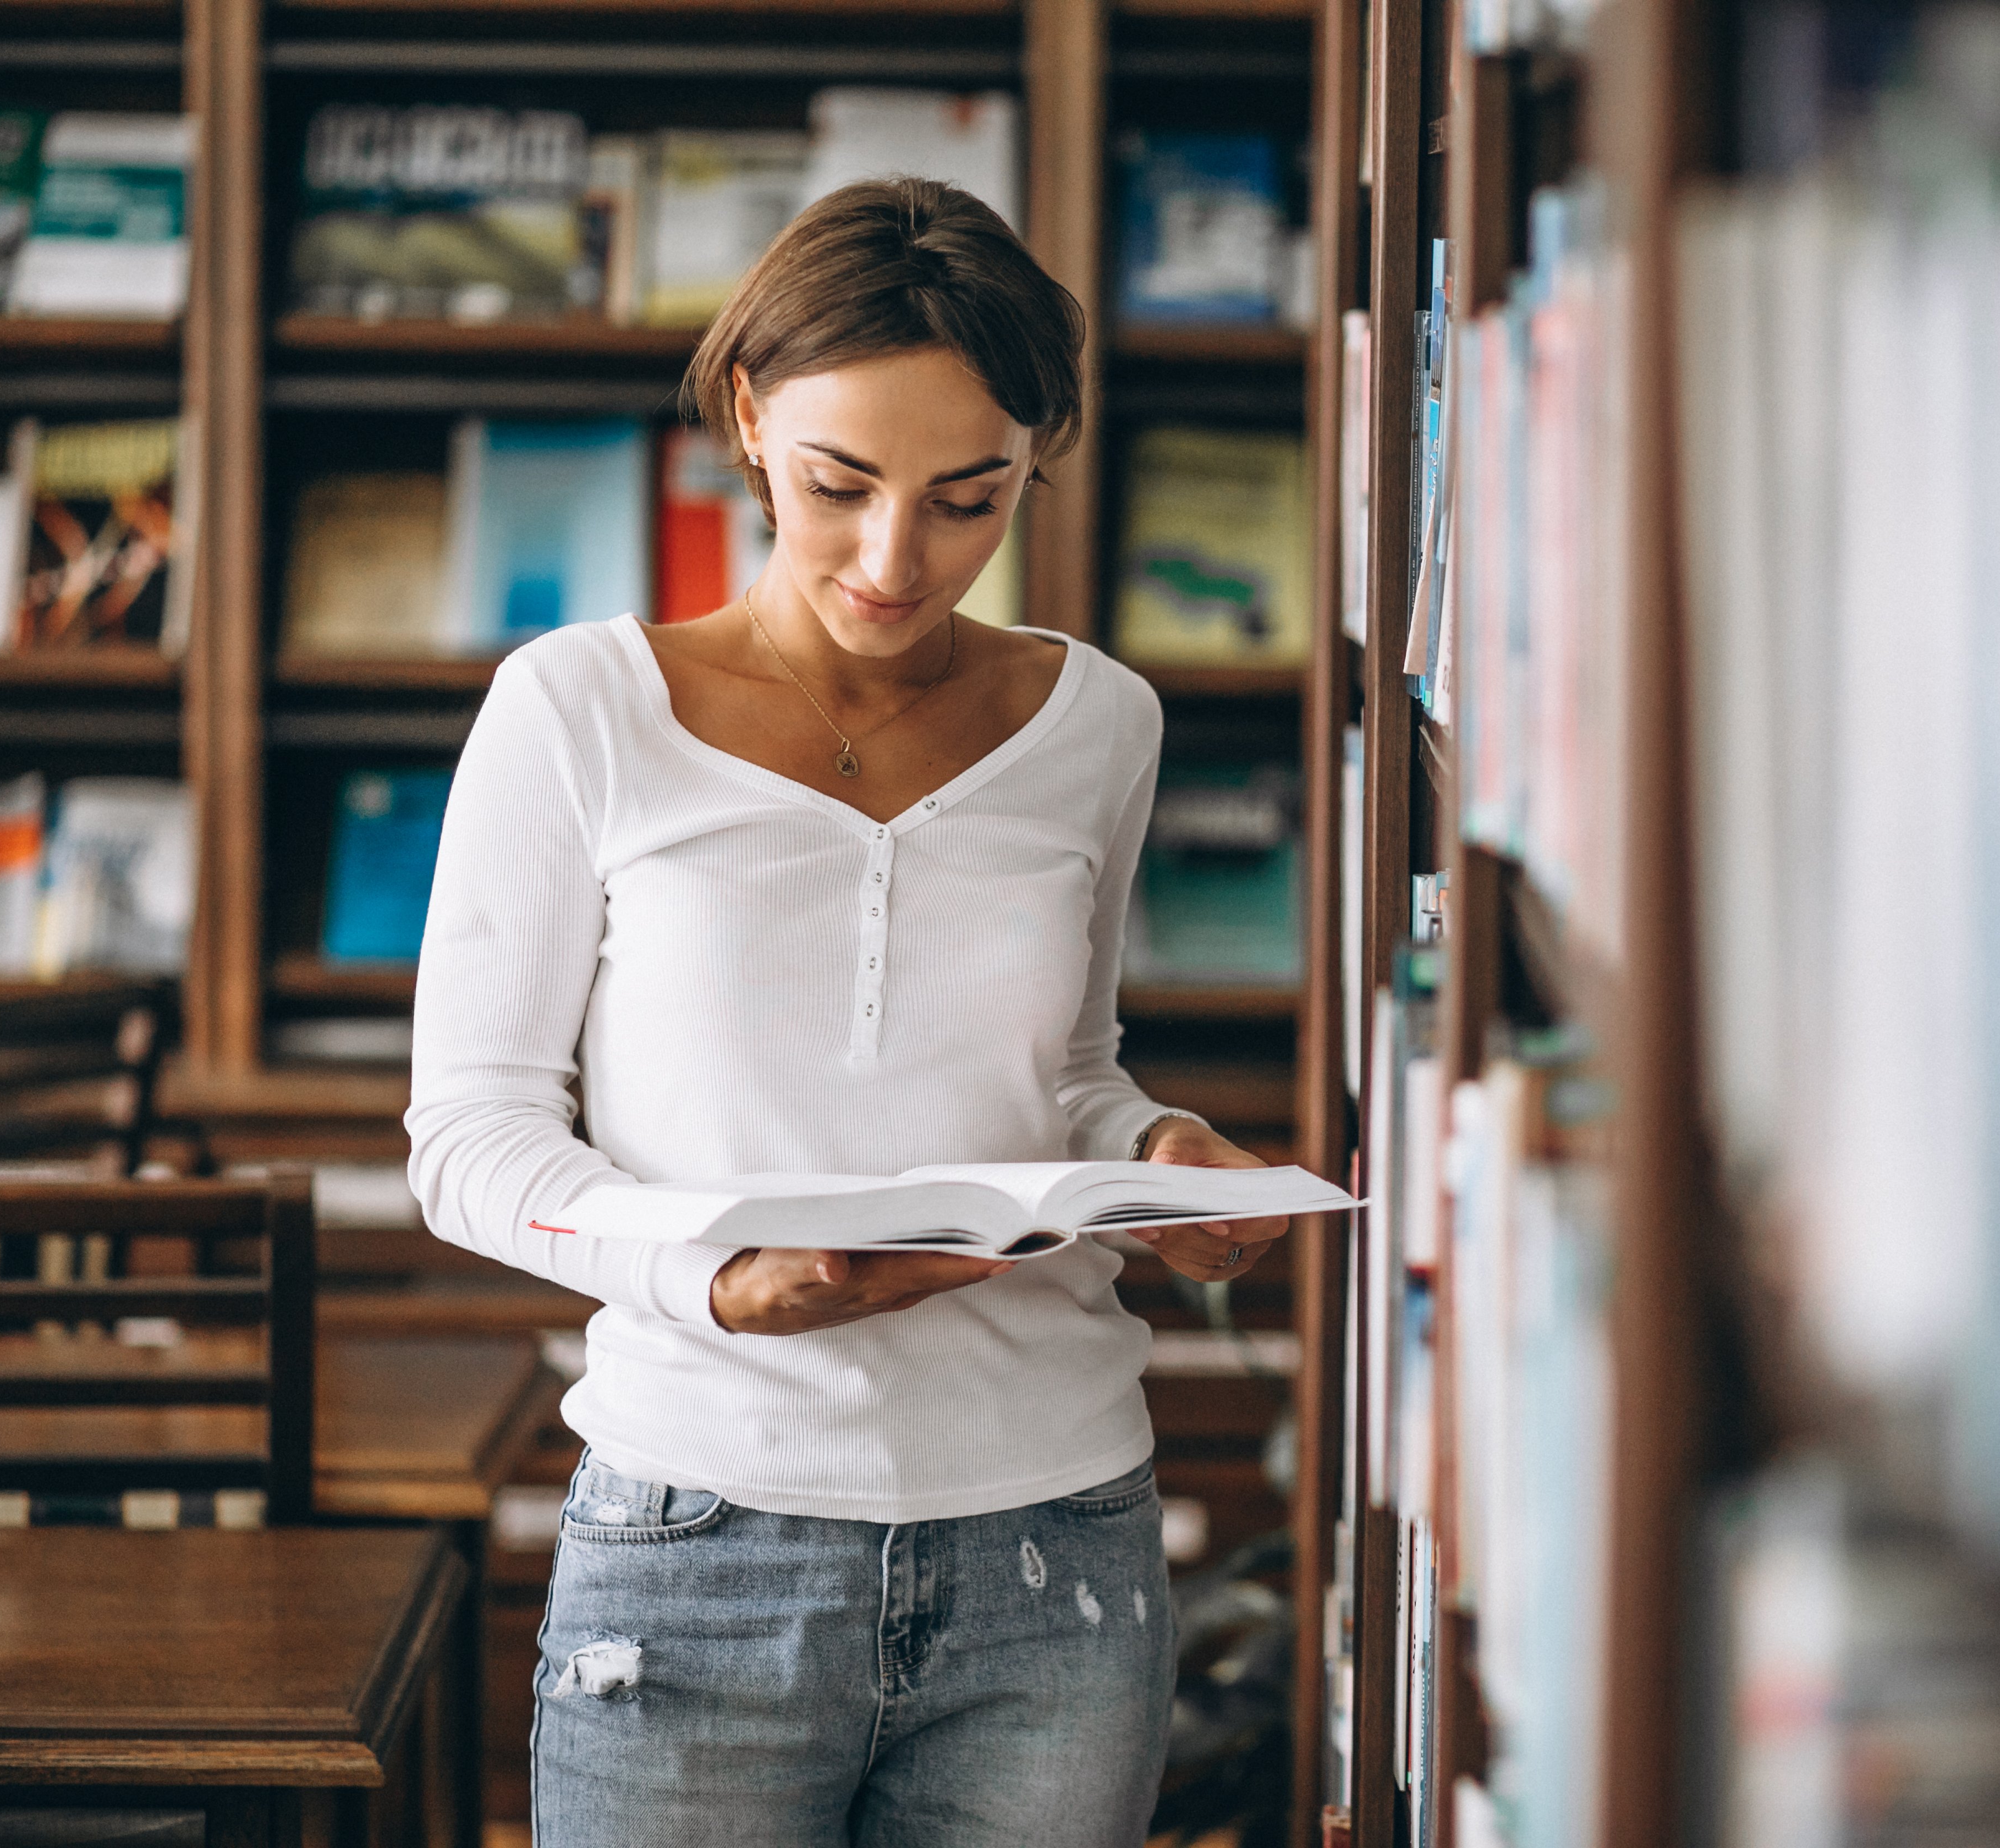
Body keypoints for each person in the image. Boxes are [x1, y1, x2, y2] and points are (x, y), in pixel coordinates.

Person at [406, 177, 1290, 1847]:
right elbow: (469, 1138)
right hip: (699, 1538)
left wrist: (1158, 1148)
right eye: (839, 486)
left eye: (972, 498)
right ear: (748, 421)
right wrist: (714, 1278)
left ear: (1041, 458)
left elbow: (1070, 1071)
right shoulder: (580, 709)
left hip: (1060, 1551)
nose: (897, 560)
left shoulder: (1100, 721)